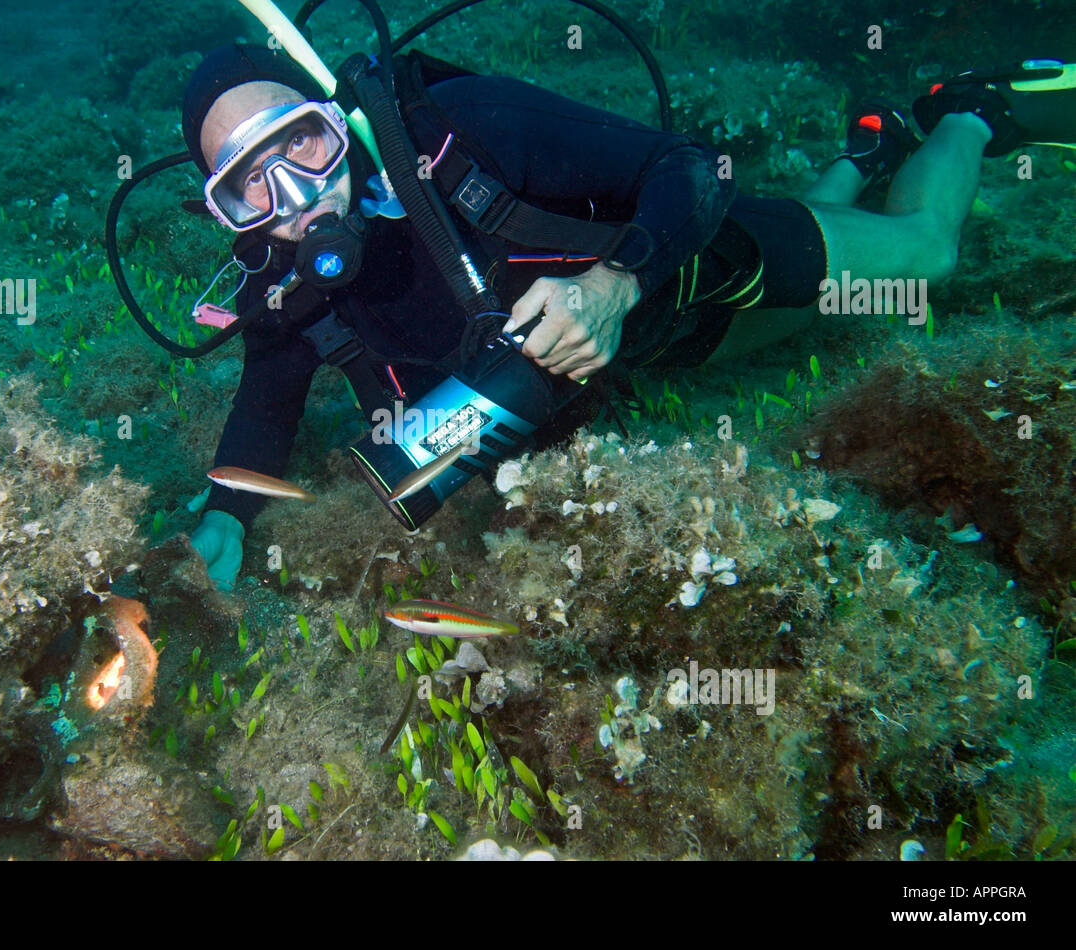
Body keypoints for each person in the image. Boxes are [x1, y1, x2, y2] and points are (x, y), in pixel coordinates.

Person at [182, 45, 1074, 591]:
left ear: (338, 122)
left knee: (922, 258)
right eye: (246, 181)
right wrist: (228, 508)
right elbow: (267, 397)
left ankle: (965, 109)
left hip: (687, 273)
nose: (295, 195)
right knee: (820, 314)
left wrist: (610, 286)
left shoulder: (465, 129)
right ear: (223, 212)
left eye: (300, 141)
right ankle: (866, 148)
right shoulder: (282, 289)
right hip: (670, 350)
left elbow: (691, 172)